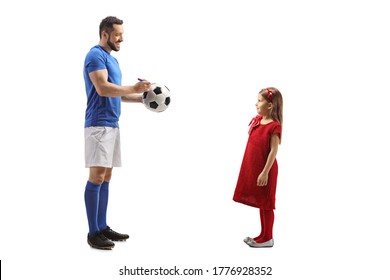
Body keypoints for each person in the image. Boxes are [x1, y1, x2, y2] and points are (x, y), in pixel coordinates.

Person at [83, 16, 151, 250]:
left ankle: (102, 226)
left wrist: (143, 99)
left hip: (112, 123)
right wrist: (132, 87)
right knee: (97, 177)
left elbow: (117, 94)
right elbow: (102, 88)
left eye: (122, 33)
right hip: (98, 124)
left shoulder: (112, 60)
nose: (122, 38)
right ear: (105, 34)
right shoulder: (95, 56)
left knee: (107, 177)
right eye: (117, 34)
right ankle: (93, 233)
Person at [233, 87, 283, 248]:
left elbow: (274, 151)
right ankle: (262, 235)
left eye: (260, 101)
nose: (256, 104)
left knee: (267, 204)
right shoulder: (258, 120)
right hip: (255, 168)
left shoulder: (274, 126)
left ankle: (268, 237)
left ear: (270, 105)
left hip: (266, 170)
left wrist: (265, 172)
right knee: (262, 203)